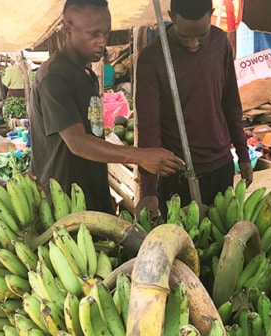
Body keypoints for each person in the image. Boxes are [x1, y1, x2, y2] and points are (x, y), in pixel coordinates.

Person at [30, 0, 183, 214]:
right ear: (67, 28)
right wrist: (140, 156)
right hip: (64, 200)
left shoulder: (87, 74)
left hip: (91, 193)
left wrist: (102, 192)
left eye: (105, 33)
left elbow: (93, 134)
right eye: (93, 34)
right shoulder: (54, 76)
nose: (102, 42)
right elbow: (78, 143)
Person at [135, 0, 253, 218]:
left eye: (201, 36)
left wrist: (243, 153)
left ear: (212, 15)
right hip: (177, 174)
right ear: (171, 16)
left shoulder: (220, 43)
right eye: (184, 36)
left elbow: (231, 103)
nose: (192, 44)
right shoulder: (152, 59)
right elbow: (148, 127)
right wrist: (148, 190)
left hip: (221, 166)